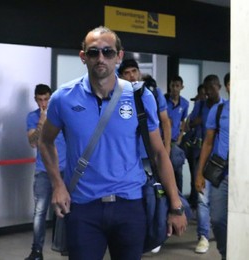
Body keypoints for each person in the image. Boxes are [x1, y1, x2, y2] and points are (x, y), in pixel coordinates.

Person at [39, 26, 187, 260]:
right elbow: (45, 141)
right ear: (82, 56)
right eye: (93, 52)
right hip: (82, 206)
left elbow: (159, 153)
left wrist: (176, 206)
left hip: (129, 205)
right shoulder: (63, 98)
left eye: (108, 52)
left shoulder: (140, 97)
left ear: (119, 56)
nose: (101, 58)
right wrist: (57, 184)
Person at [118, 60, 171, 254]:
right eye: (127, 73)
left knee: (153, 197)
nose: (131, 76)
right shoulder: (116, 96)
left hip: (149, 155)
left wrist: (166, 151)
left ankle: (154, 234)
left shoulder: (151, 95)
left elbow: (165, 122)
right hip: (129, 159)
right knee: (136, 201)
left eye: (134, 71)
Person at [25, 84, 66, 260]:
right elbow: (33, 143)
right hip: (43, 170)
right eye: (40, 99)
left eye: (46, 99)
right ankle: (37, 251)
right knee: (40, 211)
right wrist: (41, 123)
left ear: (51, 98)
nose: (43, 103)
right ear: (35, 99)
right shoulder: (32, 117)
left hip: (64, 169)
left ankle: (64, 246)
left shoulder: (60, 115)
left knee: (65, 209)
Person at [195, 72, 229, 260]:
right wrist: (200, 173)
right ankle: (225, 253)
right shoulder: (218, 110)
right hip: (220, 172)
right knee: (217, 218)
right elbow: (208, 143)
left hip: (242, 173)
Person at [182, 84, 206, 209]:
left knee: (198, 176)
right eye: (203, 93)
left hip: (203, 148)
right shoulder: (199, 106)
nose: (204, 96)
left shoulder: (210, 106)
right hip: (195, 147)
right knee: (195, 175)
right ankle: (195, 201)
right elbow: (189, 124)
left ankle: (195, 201)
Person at [165, 76, 189, 193]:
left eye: (177, 86)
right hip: (163, 141)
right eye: (172, 86)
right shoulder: (163, 100)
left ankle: (180, 198)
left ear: (182, 87)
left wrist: (180, 137)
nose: (174, 89)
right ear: (169, 86)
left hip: (175, 142)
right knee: (163, 170)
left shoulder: (184, 103)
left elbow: (183, 121)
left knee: (178, 171)